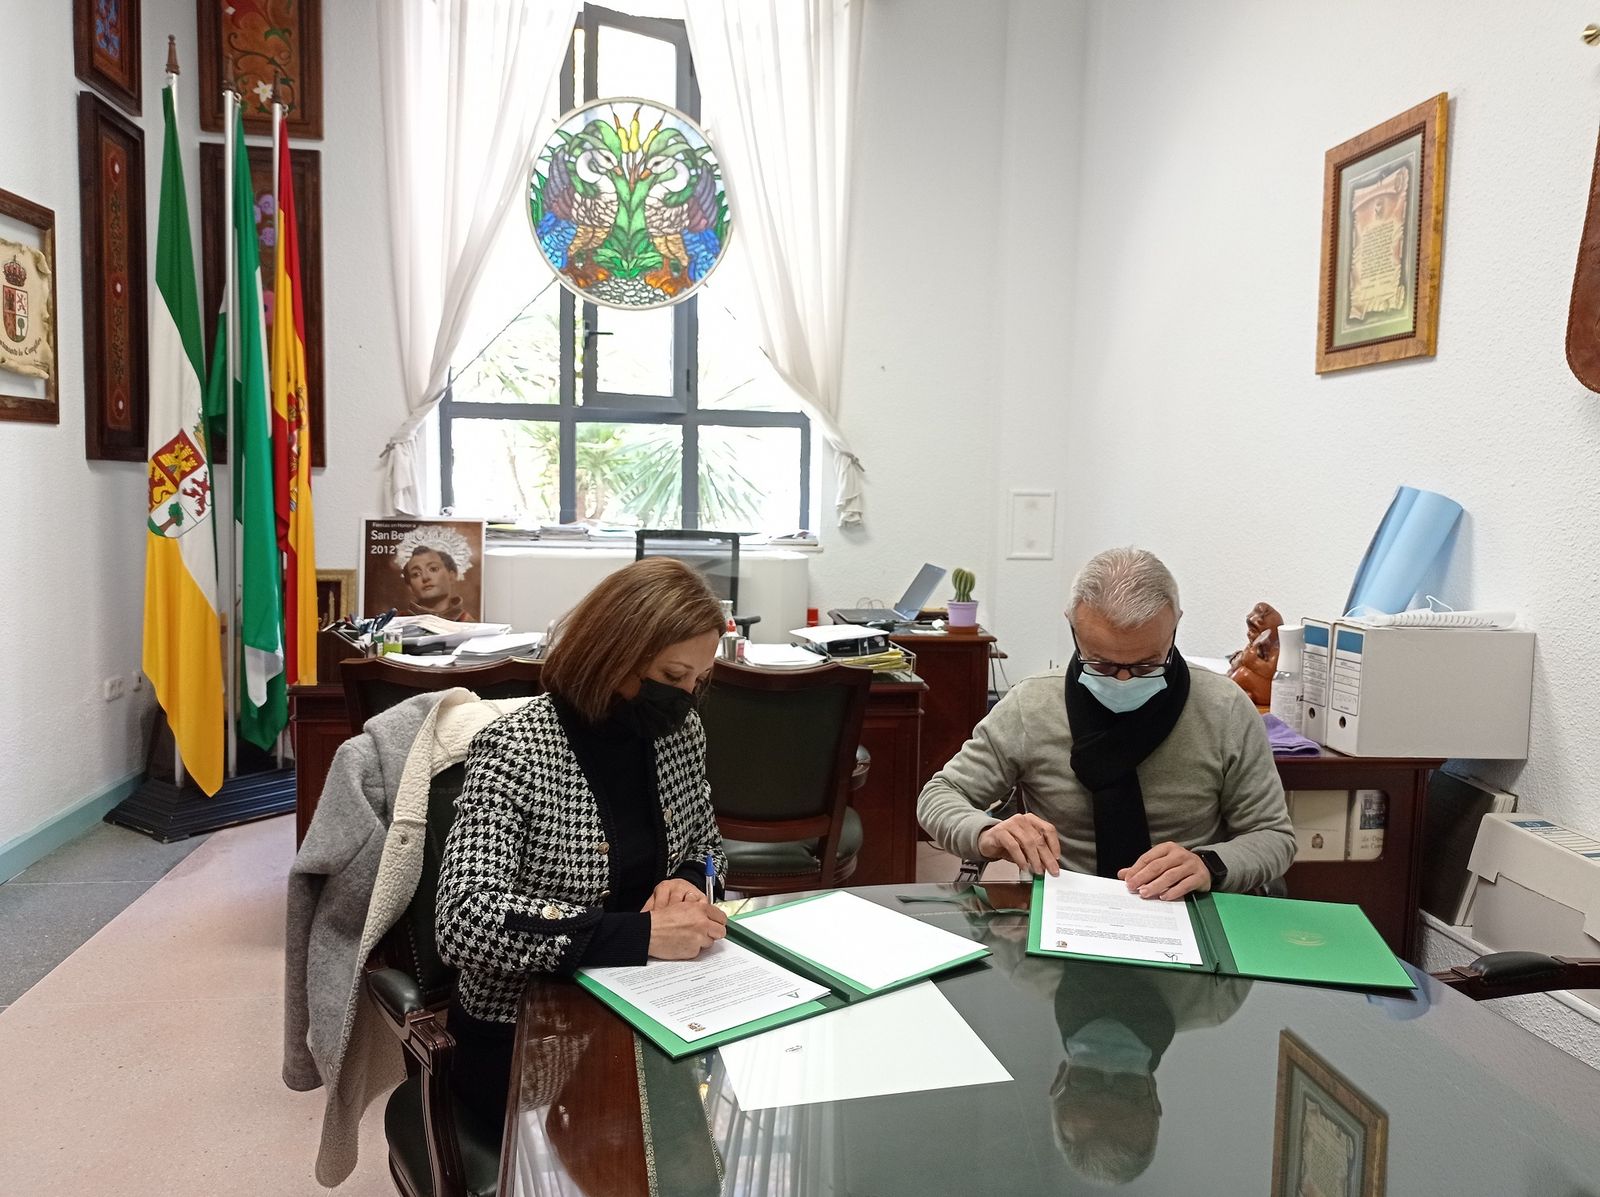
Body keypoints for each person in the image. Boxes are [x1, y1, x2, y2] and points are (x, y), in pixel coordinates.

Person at [434, 557, 730, 1127]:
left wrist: (689, 880)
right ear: (614, 653)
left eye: (698, 680)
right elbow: (465, 920)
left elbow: (711, 847)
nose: (687, 697)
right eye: (673, 676)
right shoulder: (515, 748)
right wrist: (640, 934)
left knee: (696, 1133)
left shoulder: (676, 733)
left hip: (656, 1006)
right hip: (531, 1034)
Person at [918, 546, 1295, 898]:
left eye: (1147, 664)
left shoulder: (1225, 709)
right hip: (1065, 909)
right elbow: (940, 795)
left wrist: (1209, 864)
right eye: (1100, 664)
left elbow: (1272, 835)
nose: (1124, 680)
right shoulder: (1031, 706)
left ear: (1175, 624)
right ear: (1072, 626)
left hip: (1186, 907)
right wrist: (986, 833)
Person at [392, 526, 478, 621]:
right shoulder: (398, 622)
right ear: (410, 587)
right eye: (416, 574)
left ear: (451, 576)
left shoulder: (467, 622)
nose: (425, 577)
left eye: (433, 569)